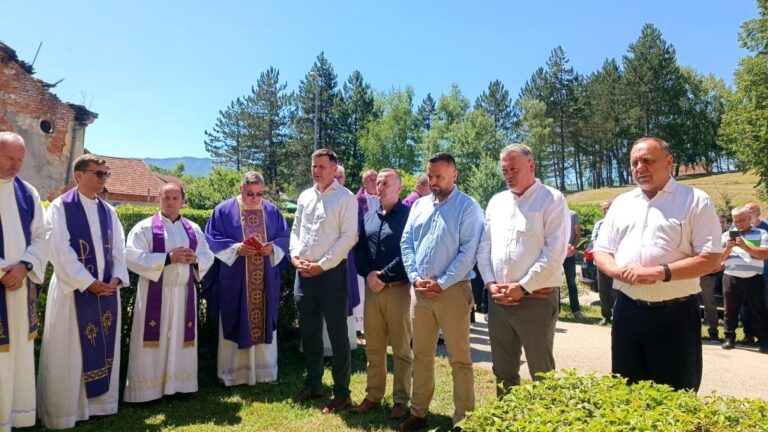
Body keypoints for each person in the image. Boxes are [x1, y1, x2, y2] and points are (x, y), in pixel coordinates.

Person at [593, 137, 722, 392]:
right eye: (634, 163)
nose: (639, 167)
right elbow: (601, 251)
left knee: (676, 395)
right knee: (626, 392)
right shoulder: (622, 203)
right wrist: (618, 271)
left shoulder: (694, 200)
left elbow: (711, 258)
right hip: (627, 311)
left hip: (674, 316)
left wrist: (659, 273)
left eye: (647, 161)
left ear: (669, 162)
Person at [38, 154, 130, 428]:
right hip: (72, 292)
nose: (104, 179)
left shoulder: (108, 211)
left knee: (102, 346)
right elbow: (59, 250)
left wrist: (115, 278)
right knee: (70, 351)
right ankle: (66, 411)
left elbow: (119, 250)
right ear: (79, 175)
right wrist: (87, 282)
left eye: (106, 174)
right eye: (98, 174)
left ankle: (100, 406)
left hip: (106, 293)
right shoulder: (60, 208)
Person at [398, 152, 484, 431]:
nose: (432, 181)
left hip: (453, 293)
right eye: (430, 176)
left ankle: (464, 419)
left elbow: (468, 252)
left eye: (439, 176)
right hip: (420, 293)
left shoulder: (468, 207)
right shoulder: (420, 205)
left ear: (454, 174)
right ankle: (419, 412)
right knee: (421, 354)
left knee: (459, 359)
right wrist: (414, 277)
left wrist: (442, 282)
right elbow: (407, 242)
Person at [477, 143, 568, 395]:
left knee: (542, 374)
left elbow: (554, 252)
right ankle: (506, 421)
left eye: (513, 168)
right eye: (504, 169)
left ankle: (545, 422)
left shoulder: (552, 199)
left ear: (531, 166)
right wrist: (491, 283)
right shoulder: (496, 202)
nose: (508, 174)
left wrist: (523, 287)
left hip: (535, 301)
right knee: (503, 373)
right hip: (498, 301)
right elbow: (484, 247)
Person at [123, 184, 214, 402]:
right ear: (158, 200)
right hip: (155, 293)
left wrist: (196, 259)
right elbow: (131, 257)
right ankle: (147, 392)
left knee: (181, 341)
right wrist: (167, 258)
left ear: (183, 201)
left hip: (184, 294)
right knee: (152, 343)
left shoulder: (193, 228)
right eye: (166, 197)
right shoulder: (144, 228)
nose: (171, 202)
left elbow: (207, 254)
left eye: (176, 198)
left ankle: (180, 386)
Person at [203, 171, 290, 385]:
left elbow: (286, 237)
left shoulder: (272, 210)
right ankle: (233, 374)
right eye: (250, 193)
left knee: (264, 316)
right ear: (241, 189)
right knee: (234, 315)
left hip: (265, 279)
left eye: (259, 194)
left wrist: (274, 248)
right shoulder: (223, 210)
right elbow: (211, 239)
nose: (254, 198)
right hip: (235, 278)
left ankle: (264, 372)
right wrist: (235, 249)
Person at [290, 149, 358, 413]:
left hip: (330, 275)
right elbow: (296, 230)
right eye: (313, 165)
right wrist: (295, 257)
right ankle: (314, 384)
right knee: (309, 332)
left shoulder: (345, 199)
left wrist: (322, 265)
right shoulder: (305, 196)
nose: (315, 170)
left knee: (338, 334)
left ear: (333, 168)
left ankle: (342, 392)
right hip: (303, 273)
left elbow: (348, 237)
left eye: (321, 166)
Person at [350, 169, 412, 420]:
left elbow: (408, 252)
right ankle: (373, 395)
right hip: (372, 290)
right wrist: (368, 275)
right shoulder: (369, 217)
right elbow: (359, 250)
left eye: (386, 183)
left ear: (400, 188)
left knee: (400, 349)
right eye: (378, 183)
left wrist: (383, 276)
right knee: (374, 348)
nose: (381, 187)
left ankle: (400, 400)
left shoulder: (408, 216)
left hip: (397, 290)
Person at [0, 132, 49, 430]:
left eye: (20, 160)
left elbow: (44, 235)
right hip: (6, 281)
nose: (16, 166)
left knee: (17, 352)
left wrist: (25, 266)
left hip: (20, 288)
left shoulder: (27, 192)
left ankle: (13, 416)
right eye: (9, 158)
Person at [719, 207, 768, 353]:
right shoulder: (727, 235)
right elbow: (720, 258)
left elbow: (764, 254)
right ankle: (729, 338)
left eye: (742, 220)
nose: (739, 223)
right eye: (735, 220)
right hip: (731, 276)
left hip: (754, 278)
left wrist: (745, 246)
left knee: (758, 310)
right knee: (730, 310)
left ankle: (764, 340)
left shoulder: (762, 233)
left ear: (749, 219)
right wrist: (728, 247)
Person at [698, 212, 728, 342]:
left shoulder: (724, 237)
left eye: (723, 222)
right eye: (718, 222)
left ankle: (713, 332)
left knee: (709, 302)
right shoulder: (701, 233)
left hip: (709, 275)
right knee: (690, 303)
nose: (720, 225)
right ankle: (691, 332)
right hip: (691, 274)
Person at [593, 200, 615, 325]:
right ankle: (605, 316)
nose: (606, 210)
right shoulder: (599, 224)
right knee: (603, 290)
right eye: (604, 209)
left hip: (616, 263)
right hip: (601, 263)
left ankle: (616, 316)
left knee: (615, 291)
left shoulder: (619, 222)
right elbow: (594, 241)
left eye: (608, 208)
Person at [563, 209, 583, 319]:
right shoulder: (552, 212)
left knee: (571, 283)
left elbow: (577, 235)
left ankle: (575, 310)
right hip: (555, 255)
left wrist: (573, 247)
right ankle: (556, 311)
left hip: (569, 256)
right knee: (553, 283)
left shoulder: (572, 214)